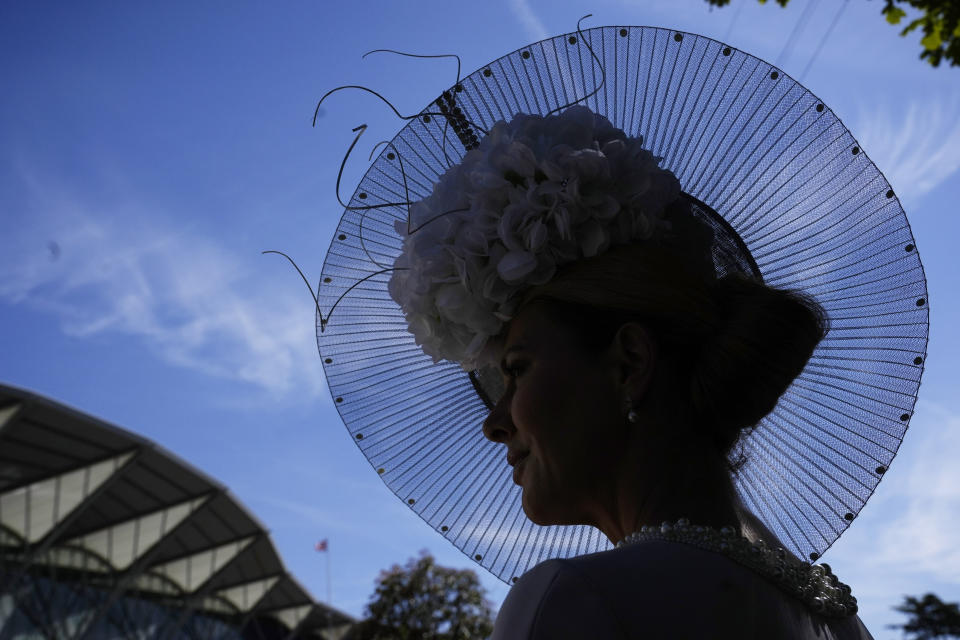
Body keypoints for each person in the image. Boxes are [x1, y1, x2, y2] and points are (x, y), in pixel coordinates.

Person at [311, 25, 928, 639]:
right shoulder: (836, 620)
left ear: (629, 362)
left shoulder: (575, 602)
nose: (493, 422)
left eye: (517, 370)